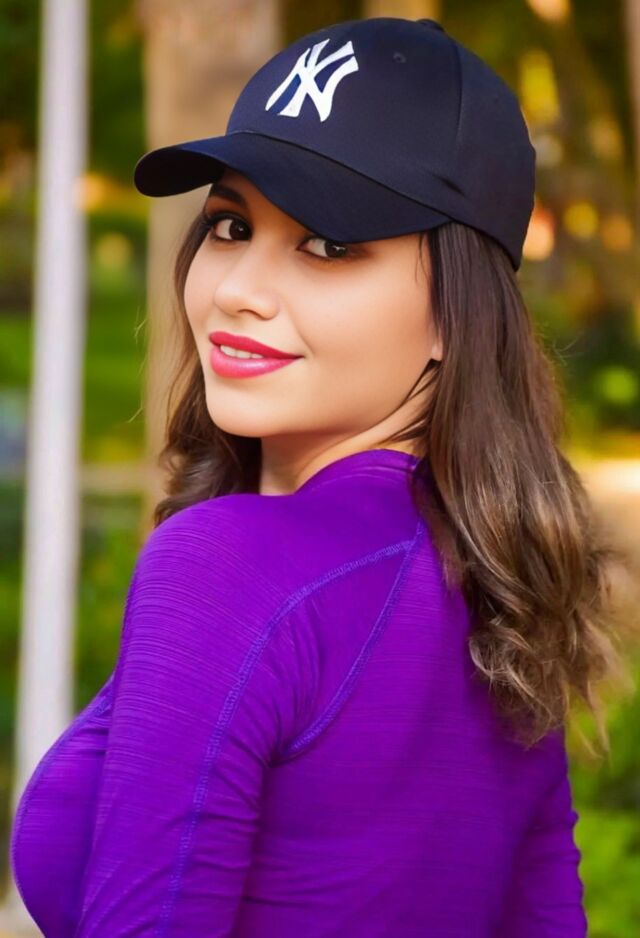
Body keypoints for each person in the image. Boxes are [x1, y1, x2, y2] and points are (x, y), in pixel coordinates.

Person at [10, 16, 627, 937]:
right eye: (230, 226)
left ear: (455, 314)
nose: (237, 289)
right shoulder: (503, 593)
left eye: (328, 245)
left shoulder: (226, 566)